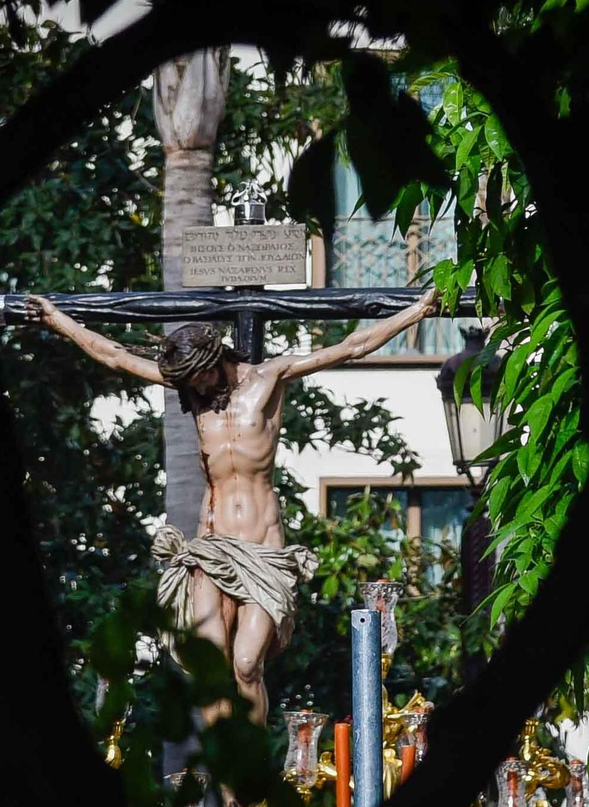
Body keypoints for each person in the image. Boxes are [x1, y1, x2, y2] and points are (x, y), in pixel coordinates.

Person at [26, 288, 439, 733]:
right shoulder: (193, 389)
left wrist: (417, 311)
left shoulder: (267, 378)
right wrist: (55, 319)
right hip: (211, 547)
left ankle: (252, 771)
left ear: (216, 357)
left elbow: (351, 346)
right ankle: (225, 787)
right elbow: (113, 356)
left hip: (262, 550)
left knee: (245, 665)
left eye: (200, 376)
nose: (196, 388)